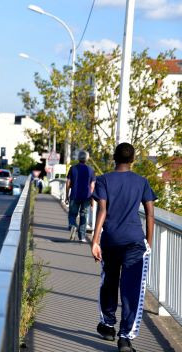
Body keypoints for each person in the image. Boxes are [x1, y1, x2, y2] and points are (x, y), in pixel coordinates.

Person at [91, 143, 156, 352]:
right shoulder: (142, 182)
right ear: (133, 159)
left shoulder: (103, 180)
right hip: (135, 242)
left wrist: (95, 240)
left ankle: (108, 325)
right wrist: (149, 242)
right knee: (132, 290)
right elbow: (150, 214)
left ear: (113, 157)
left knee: (109, 282)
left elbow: (102, 210)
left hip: (110, 241)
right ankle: (125, 337)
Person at [65, 150, 96, 242]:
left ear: (78, 158)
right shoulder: (91, 170)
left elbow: (68, 183)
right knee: (84, 216)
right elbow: (92, 186)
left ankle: (73, 226)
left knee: (72, 214)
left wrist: (67, 195)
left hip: (74, 195)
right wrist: (92, 200)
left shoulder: (73, 168)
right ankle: (82, 237)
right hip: (86, 197)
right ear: (87, 158)